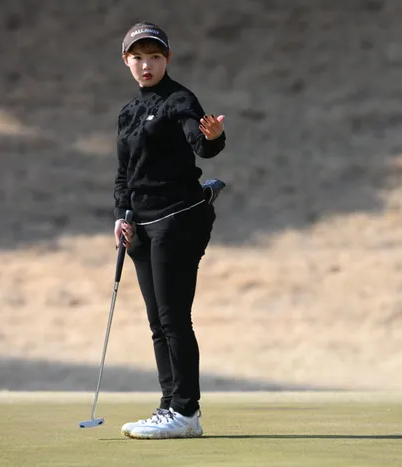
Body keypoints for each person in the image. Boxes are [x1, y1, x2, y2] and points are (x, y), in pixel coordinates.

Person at [112, 20, 227, 439]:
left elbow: (201, 144)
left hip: (177, 219)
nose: (147, 65)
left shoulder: (180, 100)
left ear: (167, 59)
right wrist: (121, 216)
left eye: (155, 56)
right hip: (141, 226)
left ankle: (186, 410)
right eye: (138, 57)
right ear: (126, 61)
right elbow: (124, 173)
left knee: (173, 318)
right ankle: (169, 406)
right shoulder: (128, 112)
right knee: (157, 323)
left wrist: (214, 137)